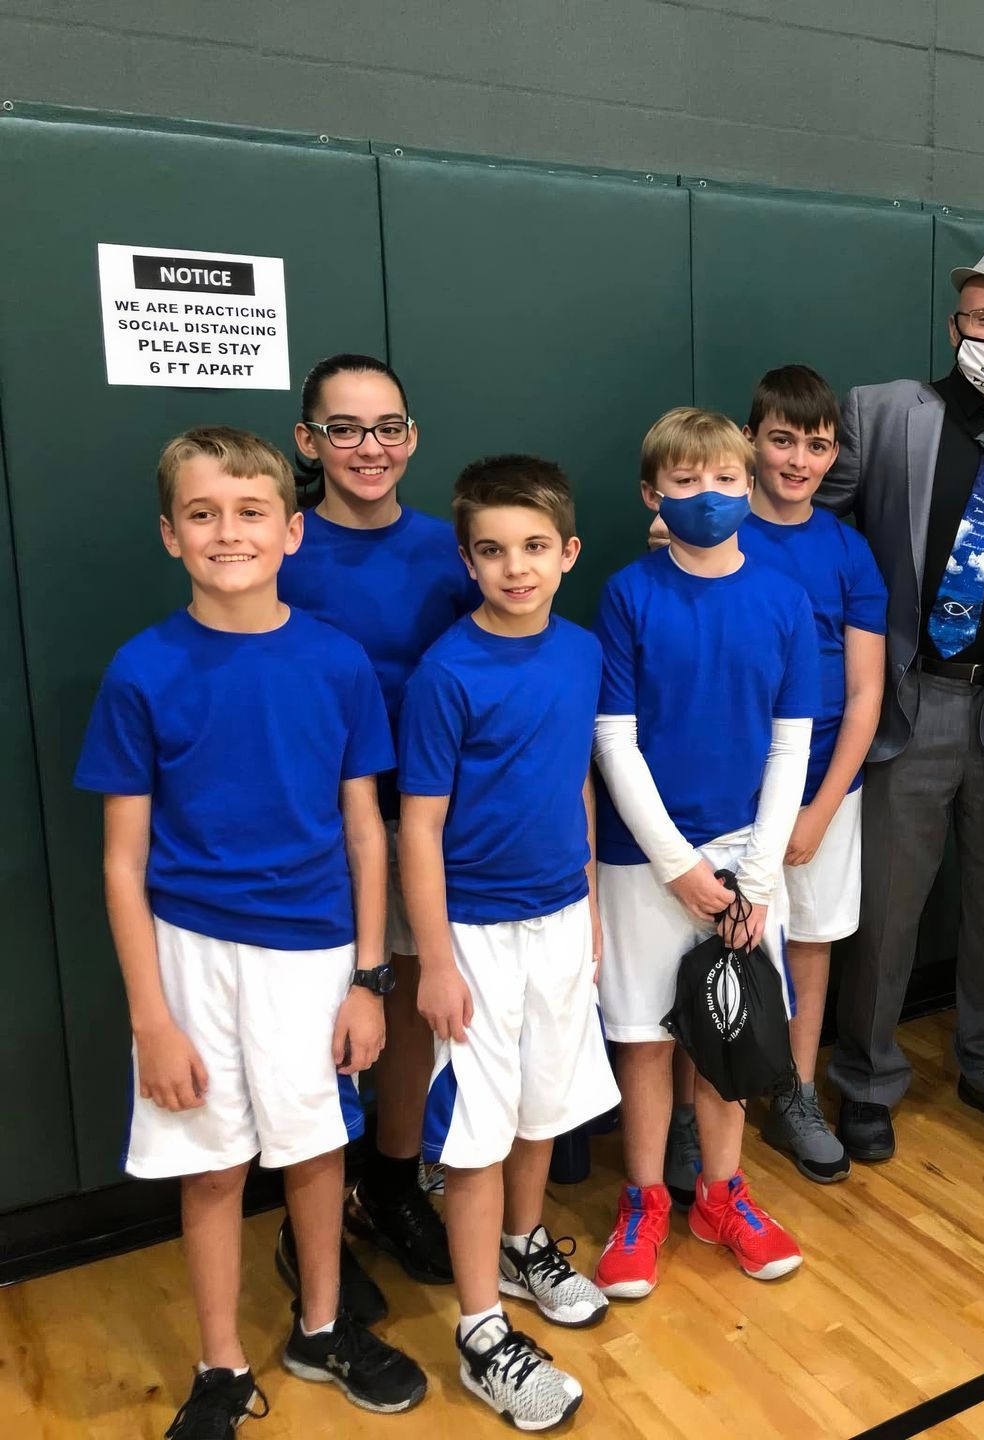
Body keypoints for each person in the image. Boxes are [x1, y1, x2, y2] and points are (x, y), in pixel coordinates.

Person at [77, 427, 427, 1436]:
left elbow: (366, 831)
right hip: (190, 954)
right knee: (215, 1163)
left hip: (314, 952)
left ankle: (321, 1327)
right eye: (202, 514)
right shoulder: (142, 670)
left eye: (249, 512)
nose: (227, 532)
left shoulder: (337, 662)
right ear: (170, 534)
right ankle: (221, 1364)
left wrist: (370, 979)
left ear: (291, 531)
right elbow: (121, 863)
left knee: (315, 1149)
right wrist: (152, 1021)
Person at [816, 234, 984, 1163]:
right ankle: (866, 1077)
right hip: (908, 696)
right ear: (956, 320)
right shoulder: (881, 412)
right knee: (888, 905)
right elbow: (813, 525)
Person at [400, 455, 617, 1427]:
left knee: (542, 1104)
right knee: (477, 1134)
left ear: (568, 552)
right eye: (492, 551)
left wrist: (590, 902)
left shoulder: (581, 652)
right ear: (467, 560)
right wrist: (437, 961)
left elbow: (577, 783)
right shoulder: (445, 673)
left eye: (534, 547)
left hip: (562, 919)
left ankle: (525, 1246)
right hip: (474, 938)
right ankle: (481, 1330)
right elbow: (418, 827)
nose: (515, 567)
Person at [592, 408, 817, 1298]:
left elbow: (790, 746)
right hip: (645, 860)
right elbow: (615, 739)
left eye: (725, 479)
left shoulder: (784, 599)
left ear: (750, 487)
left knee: (733, 1029)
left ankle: (723, 1197)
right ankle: (644, 1200)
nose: (708, 495)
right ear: (653, 494)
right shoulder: (628, 594)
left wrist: (754, 878)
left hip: (746, 858)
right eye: (686, 482)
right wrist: (677, 865)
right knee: (647, 1042)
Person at [281, 353, 473, 1297]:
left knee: (403, 1016)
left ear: (412, 438)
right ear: (308, 440)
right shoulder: (276, 544)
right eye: (346, 429)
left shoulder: (450, 550)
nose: (370, 447)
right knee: (318, 1022)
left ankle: (392, 1188)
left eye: (388, 427)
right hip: (311, 824)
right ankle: (308, 1229)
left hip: (420, 820)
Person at [736, 365, 888, 1184]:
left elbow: (865, 694)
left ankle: (795, 1092)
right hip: (731, 790)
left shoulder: (848, 551)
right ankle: (706, 1106)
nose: (799, 460)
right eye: (783, 440)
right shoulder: (713, 533)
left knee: (812, 942)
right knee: (724, 943)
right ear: (750, 440)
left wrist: (822, 809)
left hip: (826, 787)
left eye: (817, 445)